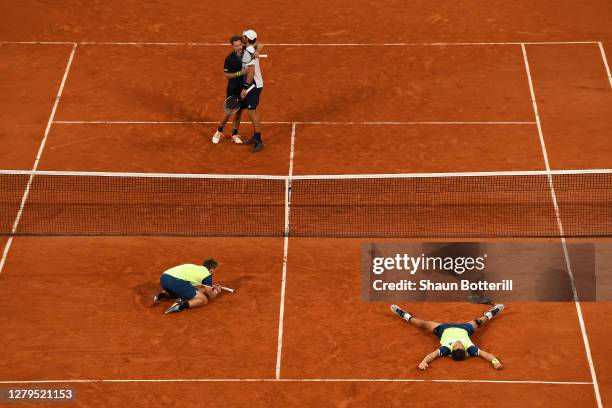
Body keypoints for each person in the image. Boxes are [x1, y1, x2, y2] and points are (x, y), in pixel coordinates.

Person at [390, 304, 505, 370]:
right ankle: (492, 313)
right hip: (465, 328)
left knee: (425, 323)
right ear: (464, 350)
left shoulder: (446, 349)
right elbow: (486, 355)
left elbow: (433, 355)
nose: (458, 343)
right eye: (460, 345)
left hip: (442, 329)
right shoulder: (470, 349)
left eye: (456, 345)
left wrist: (424, 362)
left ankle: (404, 315)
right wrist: (495, 362)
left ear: (453, 349)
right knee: (478, 321)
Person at [211, 35, 248, 144]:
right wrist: (240, 73)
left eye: (240, 44)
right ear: (232, 46)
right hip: (233, 88)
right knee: (229, 111)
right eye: (236, 46)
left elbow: (258, 45)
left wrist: (247, 40)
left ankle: (234, 134)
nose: (239, 47)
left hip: (244, 87)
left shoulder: (246, 52)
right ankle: (218, 131)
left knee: (239, 111)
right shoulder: (229, 59)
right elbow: (227, 75)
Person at [153, 259, 223, 314]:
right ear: (211, 269)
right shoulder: (207, 275)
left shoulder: (195, 268)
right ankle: (180, 305)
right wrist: (216, 291)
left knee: (186, 291)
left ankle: (163, 294)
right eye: (215, 270)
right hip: (175, 281)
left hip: (164, 278)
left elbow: (195, 287)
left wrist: (210, 287)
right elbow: (210, 296)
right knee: (203, 299)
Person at [240, 29, 265, 152]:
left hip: (253, 84)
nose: (241, 37)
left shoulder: (248, 52)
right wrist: (257, 51)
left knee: (251, 112)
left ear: (247, 39)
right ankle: (256, 136)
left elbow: (251, 73)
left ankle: (258, 140)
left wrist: (245, 88)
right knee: (252, 111)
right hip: (255, 84)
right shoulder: (250, 48)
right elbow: (260, 44)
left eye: (243, 36)